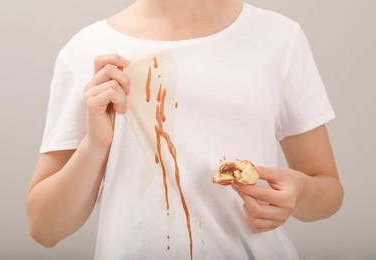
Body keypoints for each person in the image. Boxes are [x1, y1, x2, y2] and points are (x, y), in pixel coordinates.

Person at [26, 0, 344, 259]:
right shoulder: (89, 50)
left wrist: (298, 194)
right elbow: (44, 228)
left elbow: (329, 193)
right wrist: (94, 145)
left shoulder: (279, 38)